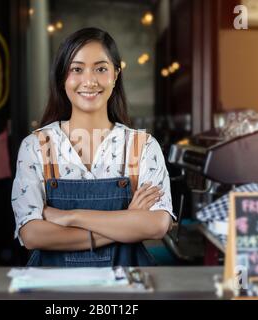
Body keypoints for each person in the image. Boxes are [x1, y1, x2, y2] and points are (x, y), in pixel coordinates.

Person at [11, 27, 175, 267]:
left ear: (116, 74)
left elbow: (158, 225)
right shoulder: (36, 146)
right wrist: (128, 222)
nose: (89, 81)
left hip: (125, 292)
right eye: (77, 69)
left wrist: (69, 217)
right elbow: (32, 234)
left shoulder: (143, 146)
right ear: (62, 77)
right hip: (53, 291)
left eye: (101, 69)